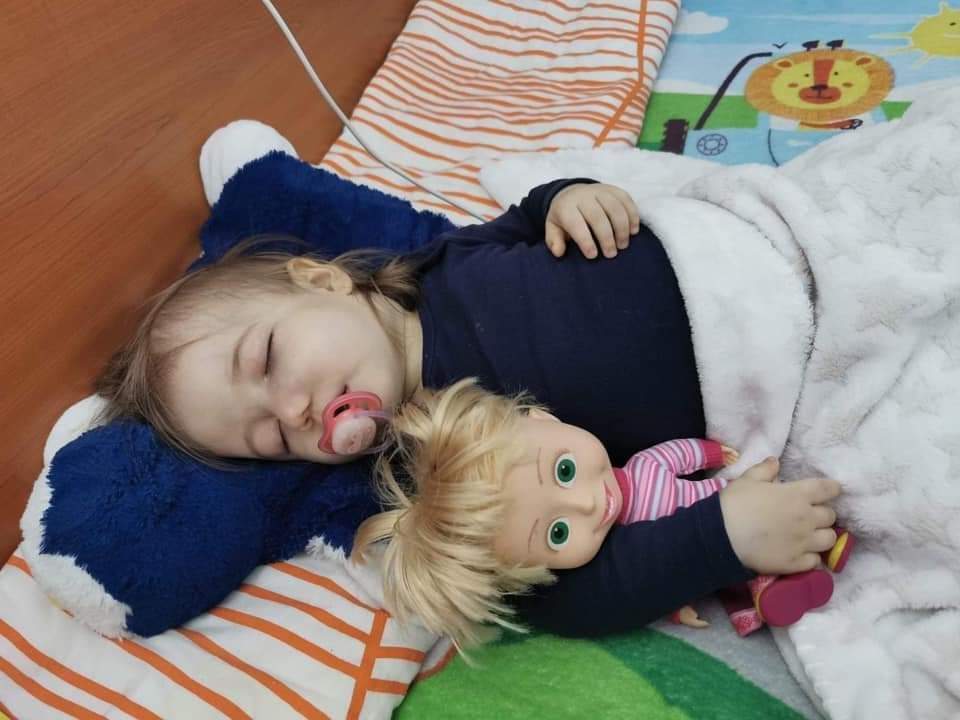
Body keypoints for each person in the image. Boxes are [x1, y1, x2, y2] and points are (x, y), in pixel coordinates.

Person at [98, 177, 841, 636]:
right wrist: (721, 536)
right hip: (767, 361)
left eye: (267, 360)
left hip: (731, 247)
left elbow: (527, 218)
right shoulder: (442, 460)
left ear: (321, 281)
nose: (292, 413)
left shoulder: (440, 262)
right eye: (267, 437)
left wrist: (568, 198)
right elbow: (566, 595)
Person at [353, 378, 850, 649]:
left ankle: (827, 540)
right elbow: (664, 574)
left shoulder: (642, 465)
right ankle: (769, 595)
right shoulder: (625, 555)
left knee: (762, 493)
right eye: (557, 533)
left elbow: (675, 456)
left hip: (724, 492)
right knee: (740, 570)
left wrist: (712, 452)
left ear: (541, 417)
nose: (588, 503)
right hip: (726, 536)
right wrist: (676, 602)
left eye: (564, 470)